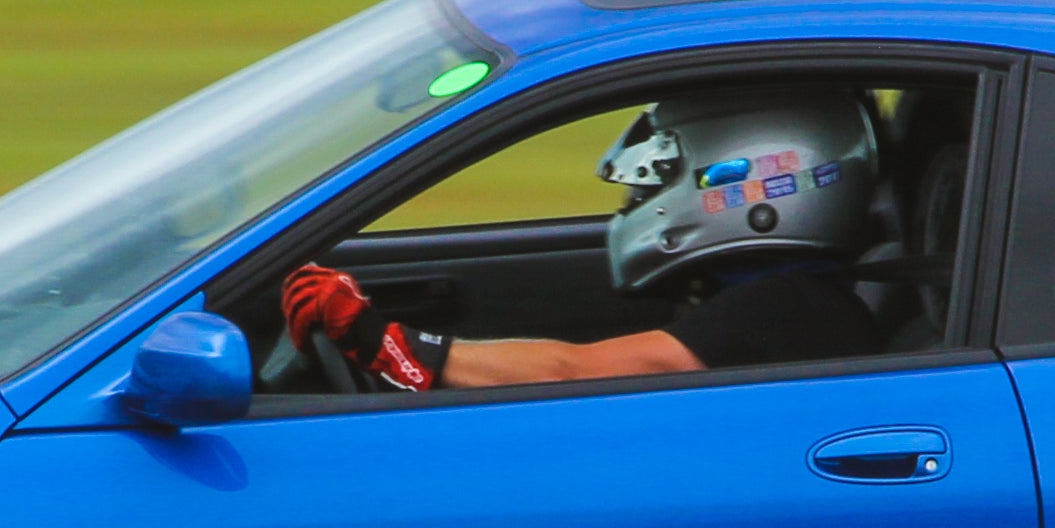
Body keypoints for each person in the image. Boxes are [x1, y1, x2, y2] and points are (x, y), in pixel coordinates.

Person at [279, 84, 894, 391]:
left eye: (667, 170)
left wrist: (400, 350)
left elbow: (577, 370)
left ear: (754, 182)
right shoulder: (795, 303)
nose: (642, 198)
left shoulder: (787, 312)